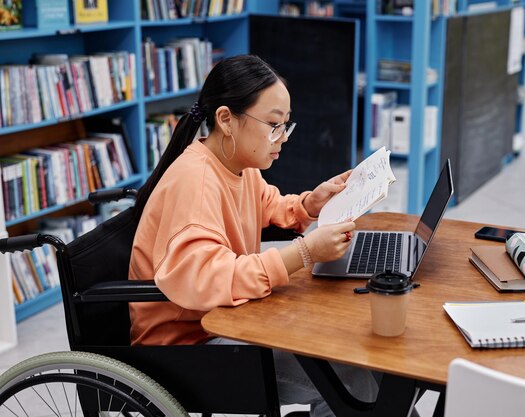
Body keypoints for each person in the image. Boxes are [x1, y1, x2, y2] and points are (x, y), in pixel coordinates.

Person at [129, 54, 378, 416]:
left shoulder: (237, 165)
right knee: (350, 379)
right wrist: (304, 253)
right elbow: (206, 276)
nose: (282, 139)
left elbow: (269, 205)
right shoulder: (195, 182)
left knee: (352, 355)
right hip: (189, 344)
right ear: (227, 120)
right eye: (273, 125)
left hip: (226, 316)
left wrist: (310, 203)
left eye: (286, 126)